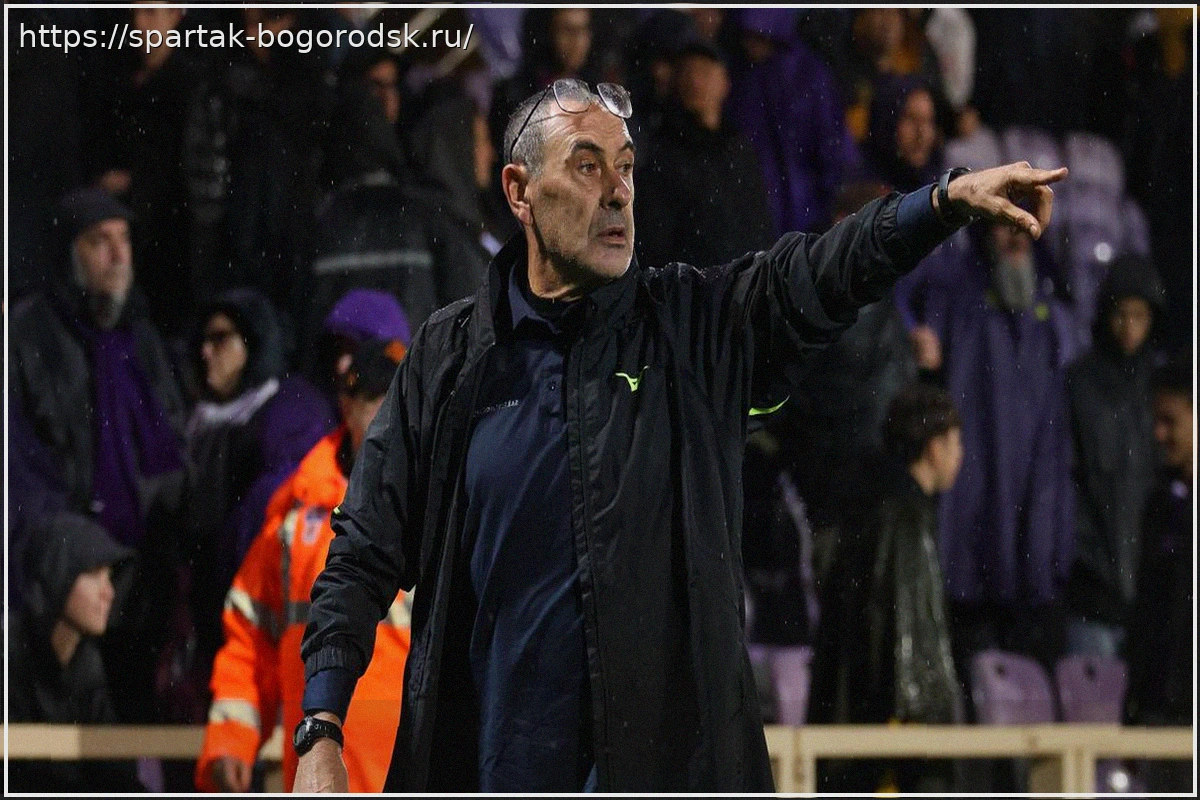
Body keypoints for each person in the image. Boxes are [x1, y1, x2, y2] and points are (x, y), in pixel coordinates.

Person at [293, 77, 1066, 792]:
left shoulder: (696, 329)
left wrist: (941, 203)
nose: (618, 192)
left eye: (627, 168)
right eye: (588, 167)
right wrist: (320, 727)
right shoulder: (448, 357)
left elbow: (823, 272)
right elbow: (363, 549)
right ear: (519, 192)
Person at [197, 339, 410, 793]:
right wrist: (232, 740)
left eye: (395, 399)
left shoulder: (437, 507)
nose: (385, 413)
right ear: (346, 405)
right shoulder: (296, 518)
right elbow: (249, 635)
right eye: (373, 398)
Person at [8, 187, 188, 724]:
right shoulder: (29, 334)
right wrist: (69, 554)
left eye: (124, 239)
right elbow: (20, 464)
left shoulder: (142, 339)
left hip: (139, 581)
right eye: (99, 241)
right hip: (60, 586)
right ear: (70, 254)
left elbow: (170, 450)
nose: (117, 255)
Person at [898, 219, 1078, 690]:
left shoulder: (1053, 320)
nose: (1015, 236)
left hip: (1031, 549)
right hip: (971, 540)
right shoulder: (956, 301)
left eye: (1023, 225)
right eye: (1003, 225)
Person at [808, 383, 964, 792]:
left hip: (859, 728)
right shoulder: (905, 521)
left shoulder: (872, 508)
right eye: (955, 442)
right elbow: (907, 642)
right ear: (934, 447)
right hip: (892, 740)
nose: (960, 455)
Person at [184, 288, 336, 692]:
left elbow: (275, 511)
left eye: (221, 339)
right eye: (203, 341)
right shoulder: (200, 422)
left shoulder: (290, 412)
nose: (206, 352)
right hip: (214, 608)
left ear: (254, 342)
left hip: (261, 602)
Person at [1064, 255, 1167, 658]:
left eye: (1139, 316)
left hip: (1151, 591)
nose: (1129, 327)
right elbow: (1068, 478)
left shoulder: (1162, 388)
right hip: (1092, 589)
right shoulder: (1080, 382)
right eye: (1121, 314)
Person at [8, 511, 147, 793]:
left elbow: (113, 769)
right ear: (57, 574)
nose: (109, 592)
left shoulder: (86, 662)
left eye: (110, 576)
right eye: (94, 574)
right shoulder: (10, 657)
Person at [636, 38, 774, 271]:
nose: (695, 81)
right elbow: (654, 239)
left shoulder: (739, 149)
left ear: (724, 82)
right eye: (687, 72)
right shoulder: (664, 153)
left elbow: (758, 224)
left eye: (704, 72)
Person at [727, 8, 862, 236]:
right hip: (763, 213)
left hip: (808, 214)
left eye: (756, 35)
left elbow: (832, 148)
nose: (750, 43)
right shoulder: (743, 76)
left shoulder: (807, 75)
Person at [1123, 355, 1193, 793]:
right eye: (1156, 421)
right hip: (1162, 709)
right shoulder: (1161, 504)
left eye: (1170, 421)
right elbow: (1147, 613)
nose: (1159, 434)